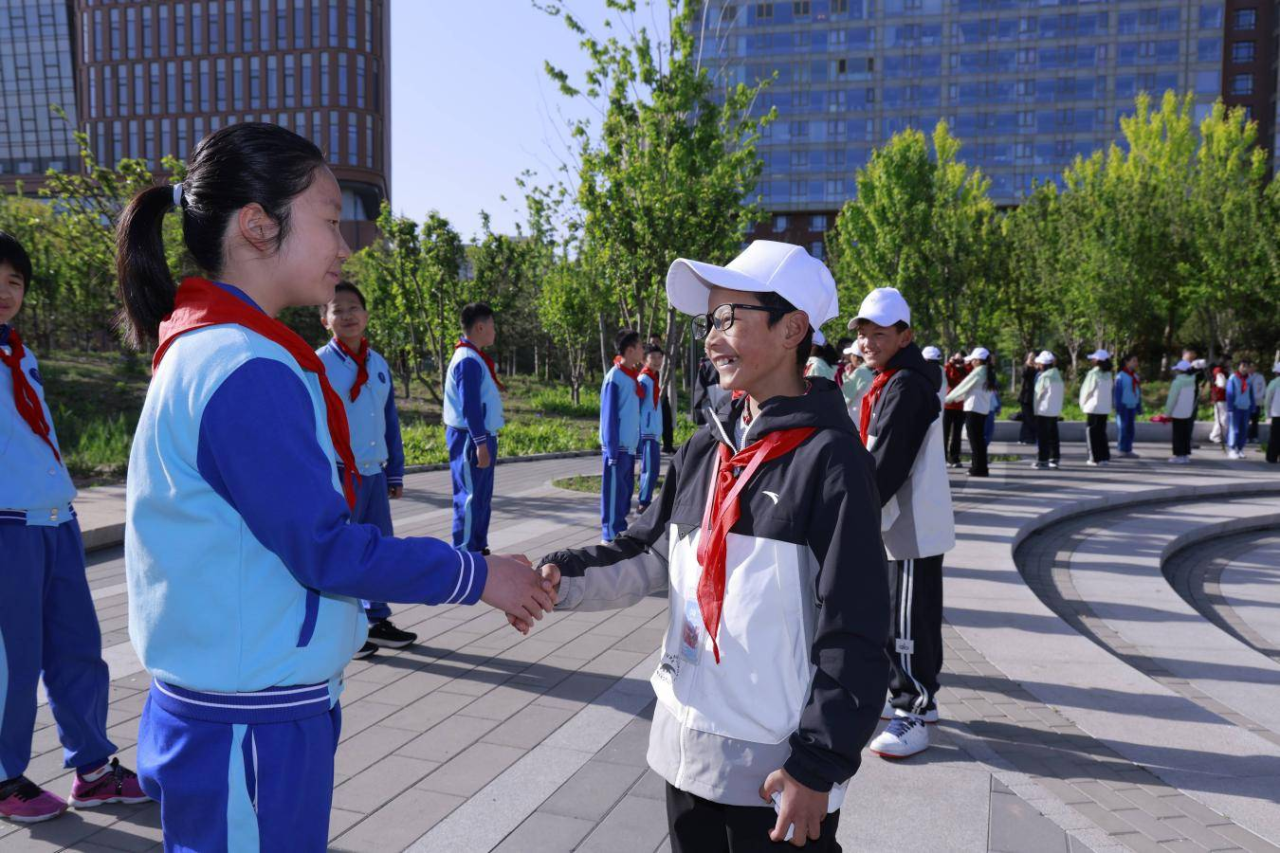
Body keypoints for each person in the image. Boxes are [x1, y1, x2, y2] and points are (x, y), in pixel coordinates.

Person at [114, 123, 554, 849]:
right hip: (249, 722)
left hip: (243, 706)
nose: (345, 247)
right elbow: (325, 549)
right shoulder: (244, 366)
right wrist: (479, 576)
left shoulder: (217, 349)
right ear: (258, 226)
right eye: (327, 220)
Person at [533, 239, 888, 852]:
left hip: (778, 773)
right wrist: (557, 577)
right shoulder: (707, 446)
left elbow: (855, 627)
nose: (711, 339)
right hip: (685, 751)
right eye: (709, 322)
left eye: (727, 318)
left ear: (791, 329)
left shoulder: (832, 462)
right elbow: (648, 551)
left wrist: (818, 764)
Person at [0, 231, 150, 824]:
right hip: (7, 528)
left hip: (56, 522)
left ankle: (92, 770)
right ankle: (4, 778)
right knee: (12, 661)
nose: (5, 292)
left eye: (14, 282)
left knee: (78, 651)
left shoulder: (21, 356)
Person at [849, 287, 956, 760]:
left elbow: (888, 463)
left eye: (879, 334)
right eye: (864, 333)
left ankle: (913, 708)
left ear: (905, 336)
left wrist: (855, 509)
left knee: (907, 622)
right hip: (900, 520)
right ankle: (914, 701)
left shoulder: (908, 385)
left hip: (909, 523)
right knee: (905, 617)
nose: (868, 342)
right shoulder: (892, 379)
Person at [318, 281, 416, 661]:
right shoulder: (318, 365)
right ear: (325, 320)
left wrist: (395, 472)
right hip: (340, 474)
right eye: (337, 310)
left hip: (373, 474)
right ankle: (346, 631)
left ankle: (377, 620)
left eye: (353, 307)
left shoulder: (378, 365)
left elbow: (389, 421)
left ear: (366, 315)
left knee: (379, 548)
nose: (347, 315)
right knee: (344, 550)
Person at [444, 302, 506, 554]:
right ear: (480, 327)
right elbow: (470, 406)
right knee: (469, 498)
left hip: (479, 437)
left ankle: (479, 548)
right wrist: (480, 443)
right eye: (492, 326)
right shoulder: (467, 360)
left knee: (481, 497)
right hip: (470, 439)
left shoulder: (475, 357)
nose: (495, 331)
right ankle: (464, 553)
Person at [600, 329, 644, 543]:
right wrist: (611, 450)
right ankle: (609, 534)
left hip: (629, 446)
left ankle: (620, 529)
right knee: (613, 493)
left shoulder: (631, 376)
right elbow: (609, 416)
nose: (643, 351)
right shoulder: (614, 377)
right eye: (640, 346)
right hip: (617, 448)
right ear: (630, 350)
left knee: (625, 491)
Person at [944, 348, 995, 477]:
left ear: (978, 361)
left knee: (975, 441)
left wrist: (947, 399)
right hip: (983, 409)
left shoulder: (978, 372)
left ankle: (976, 469)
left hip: (973, 408)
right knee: (979, 440)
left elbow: (963, 387)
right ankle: (982, 468)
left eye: (972, 360)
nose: (971, 362)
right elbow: (970, 390)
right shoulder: (988, 371)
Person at [638, 343, 664, 513]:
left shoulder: (653, 378)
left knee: (653, 468)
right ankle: (643, 502)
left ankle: (645, 500)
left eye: (659, 357)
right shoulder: (644, 380)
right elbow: (638, 406)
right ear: (644, 360)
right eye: (652, 357)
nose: (657, 361)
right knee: (649, 468)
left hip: (653, 431)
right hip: (646, 431)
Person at [1079, 349, 1113, 466]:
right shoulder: (1109, 375)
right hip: (1104, 408)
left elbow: (1086, 390)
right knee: (1102, 433)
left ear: (1097, 361)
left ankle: (1094, 458)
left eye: (1093, 358)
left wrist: (1082, 404)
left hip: (1093, 408)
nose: (1092, 360)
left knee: (1092, 433)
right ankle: (1104, 457)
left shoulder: (1093, 374)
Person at [1031, 351, 1064, 470]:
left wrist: (1035, 410)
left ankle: (1042, 460)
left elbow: (1038, 395)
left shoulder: (1044, 377)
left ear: (1043, 364)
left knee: (1043, 437)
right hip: (1054, 410)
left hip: (1043, 410)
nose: (1038, 366)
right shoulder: (1057, 376)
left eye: (1039, 363)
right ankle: (1054, 458)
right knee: (1053, 435)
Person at [1165, 360, 1197, 464]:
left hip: (1177, 413)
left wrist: (1167, 413)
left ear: (1179, 371)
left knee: (1177, 435)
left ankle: (1179, 455)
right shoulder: (1192, 381)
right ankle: (1185, 455)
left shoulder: (1177, 382)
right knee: (1185, 434)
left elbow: (1172, 399)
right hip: (1188, 412)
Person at [649, 332, 676, 453]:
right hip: (651, 394)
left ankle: (668, 444)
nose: (655, 344)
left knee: (666, 418)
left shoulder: (665, 357)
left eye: (657, 342)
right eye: (652, 342)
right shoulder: (647, 357)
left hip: (662, 392)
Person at [943, 352, 971, 468]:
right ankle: (943, 458)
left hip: (960, 406)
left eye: (960, 360)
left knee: (956, 434)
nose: (958, 363)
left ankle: (954, 458)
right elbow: (947, 377)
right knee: (944, 433)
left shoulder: (966, 370)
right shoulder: (949, 368)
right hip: (947, 405)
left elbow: (970, 374)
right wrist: (950, 364)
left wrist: (965, 364)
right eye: (956, 360)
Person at [840, 341, 874, 433]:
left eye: (851, 355)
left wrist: (847, 375)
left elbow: (844, 397)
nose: (850, 358)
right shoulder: (874, 370)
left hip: (855, 424)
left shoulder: (860, 372)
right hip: (868, 423)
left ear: (856, 357)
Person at [1114, 353, 1142, 458]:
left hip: (1132, 406)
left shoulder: (1135, 376)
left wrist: (1139, 406)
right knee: (1123, 428)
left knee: (1130, 429)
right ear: (1126, 362)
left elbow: (1138, 392)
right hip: (1123, 406)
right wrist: (1118, 406)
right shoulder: (1120, 376)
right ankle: (1121, 449)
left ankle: (1128, 449)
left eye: (1136, 361)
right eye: (1133, 361)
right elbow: (1117, 392)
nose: (1136, 363)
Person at [1225, 359, 1254, 460]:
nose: (1244, 368)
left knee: (1244, 429)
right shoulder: (1233, 378)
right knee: (1234, 429)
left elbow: (1251, 393)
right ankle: (1232, 449)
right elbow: (1229, 393)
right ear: (1239, 367)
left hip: (1246, 407)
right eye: (1243, 366)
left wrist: (1252, 406)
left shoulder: (1250, 379)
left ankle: (1240, 448)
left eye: (1247, 366)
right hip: (1235, 407)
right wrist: (1230, 407)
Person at [1017, 352, 1039, 445]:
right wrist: (1028, 364)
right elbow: (1023, 374)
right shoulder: (1024, 368)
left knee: (1029, 419)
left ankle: (1024, 438)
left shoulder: (1037, 369)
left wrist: (1036, 367)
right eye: (1030, 358)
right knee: (1027, 418)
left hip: (1034, 397)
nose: (1032, 360)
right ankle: (1027, 438)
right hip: (1025, 397)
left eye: (1034, 358)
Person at [1209, 363, 1228, 448]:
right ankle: (1215, 436)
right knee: (1223, 418)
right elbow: (1222, 384)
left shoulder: (1217, 370)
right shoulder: (1219, 371)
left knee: (1220, 418)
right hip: (1221, 398)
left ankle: (1216, 436)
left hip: (1219, 397)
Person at [1247, 361, 1266, 444]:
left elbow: (1263, 388)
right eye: (1250, 367)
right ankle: (1246, 436)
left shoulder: (1260, 377)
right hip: (1247, 402)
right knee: (1246, 420)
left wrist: (1259, 397)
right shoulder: (1245, 376)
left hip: (1257, 401)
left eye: (1253, 366)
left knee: (1255, 420)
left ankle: (1254, 436)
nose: (1252, 368)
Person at [1265, 363, 1280, 464]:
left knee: (1275, 437)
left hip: (1276, 413)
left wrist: (1267, 415)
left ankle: (1271, 457)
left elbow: (1267, 400)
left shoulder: (1273, 383)